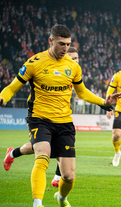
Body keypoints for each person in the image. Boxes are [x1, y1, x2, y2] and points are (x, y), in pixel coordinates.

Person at [0, 24, 121, 207]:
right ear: (51, 41)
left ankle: (61, 198)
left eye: (68, 44)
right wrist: (2, 98)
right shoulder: (34, 63)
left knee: (69, 176)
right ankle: (37, 204)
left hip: (64, 122)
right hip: (39, 118)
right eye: (61, 44)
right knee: (43, 156)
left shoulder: (73, 66)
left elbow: (81, 92)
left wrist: (103, 102)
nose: (65, 48)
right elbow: (12, 87)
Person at [3, 47, 80, 189]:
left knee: (53, 147)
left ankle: (13, 153)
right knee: (47, 149)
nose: (74, 61)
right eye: (72, 58)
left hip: (61, 117)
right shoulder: (51, 68)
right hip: (41, 117)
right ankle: (56, 177)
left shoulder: (73, 71)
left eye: (76, 58)